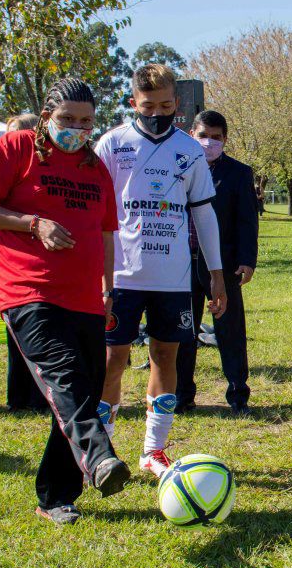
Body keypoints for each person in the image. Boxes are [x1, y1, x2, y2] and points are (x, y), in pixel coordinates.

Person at [0, 78, 130, 524]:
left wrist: (108, 288)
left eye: (86, 121)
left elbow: (107, 233)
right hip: (29, 291)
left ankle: (56, 496)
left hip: (86, 299)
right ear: (46, 118)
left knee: (86, 387)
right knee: (67, 379)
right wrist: (34, 223)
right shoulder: (17, 149)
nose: (77, 128)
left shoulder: (95, 169)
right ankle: (99, 459)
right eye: (67, 119)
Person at [95, 64, 227, 478]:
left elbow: (204, 215)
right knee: (112, 358)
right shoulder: (112, 144)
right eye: (149, 105)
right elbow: (95, 213)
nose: (158, 112)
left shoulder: (189, 151)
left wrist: (216, 273)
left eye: (167, 105)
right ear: (133, 102)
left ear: (178, 106)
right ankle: (100, 447)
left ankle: (154, 449)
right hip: (121, 277)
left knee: (165, 355)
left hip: (172, 279)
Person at [175, 110, 258, 416]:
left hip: (223, 266)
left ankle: (238, 395)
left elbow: (246, 221)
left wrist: (247, 261)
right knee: (183, 332)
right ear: (191, 134)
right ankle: (182, 396)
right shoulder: (176, 168)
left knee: (230, 331)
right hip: (181, 264)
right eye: (202, 135)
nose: (208, 142)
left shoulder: (238, 173)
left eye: (216, 137)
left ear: (225, 139)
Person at [0, 113, 49, 413]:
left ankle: (37, 398)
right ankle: (18, 398)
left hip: (44, 263)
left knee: (40, 337)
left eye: (22, 134)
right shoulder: (4, 166)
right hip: (14, 262)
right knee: (16, 337)